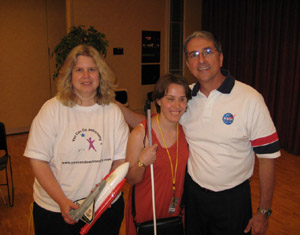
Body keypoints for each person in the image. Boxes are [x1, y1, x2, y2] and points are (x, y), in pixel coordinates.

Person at [117, 31, 281, 235]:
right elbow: (152, 124)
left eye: (207, 52)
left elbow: (267, 157)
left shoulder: (249, 99)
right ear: (187, 63)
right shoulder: (186, 97)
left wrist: (263, 211)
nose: (201, 60)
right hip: (193, 198)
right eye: (193, 55)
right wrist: (115, 106)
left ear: (220, 57)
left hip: (233, 200)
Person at [24, 45, 129, 235]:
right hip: (56, 210)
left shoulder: (113, 112)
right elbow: (38, 160)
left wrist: (101, 198)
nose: (86, 76)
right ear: (69, 76)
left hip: (103, 210)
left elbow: (119, 161)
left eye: (92, 69)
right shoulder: (52, 110)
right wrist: (62, 201)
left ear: (100, 74)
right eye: (79, 70)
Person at [125, 74, 191, 235]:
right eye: (170, 99)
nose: (177, 105)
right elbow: (130, 179)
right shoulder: (141, 133)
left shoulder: (187, 132)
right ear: (159, 100)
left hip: (175, 211)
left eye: (182, 99)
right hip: (146, 211)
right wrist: (142, 162)